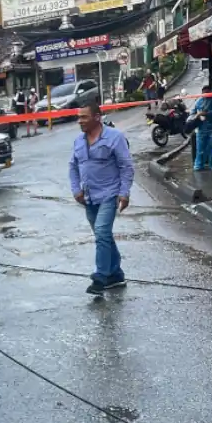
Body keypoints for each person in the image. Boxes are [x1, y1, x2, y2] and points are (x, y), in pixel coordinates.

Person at [69, 102, 134, 295]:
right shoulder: (78, 141)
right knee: (102, 235)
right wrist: (76, 190)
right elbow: (73, 167)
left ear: (97, 117)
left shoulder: (115, 137)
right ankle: (116, 275)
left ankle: (100, 277)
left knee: (102, 231)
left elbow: (126, 166)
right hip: (88, 197)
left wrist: (124, 193)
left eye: (84, 117)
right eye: (78, 117)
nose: (80, 121)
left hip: (109, 194)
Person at [191, 83, 212, 171]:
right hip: (201, 128)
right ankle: (199, 165)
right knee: (200, 148)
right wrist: (196, 117)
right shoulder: (199, 101)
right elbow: (192, 113)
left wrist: (207, 113)